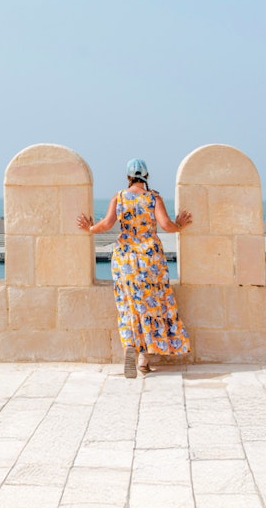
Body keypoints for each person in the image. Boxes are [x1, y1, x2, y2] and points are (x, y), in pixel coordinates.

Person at [76, 158, 192, 378]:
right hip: (150, 259)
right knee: (151, 304)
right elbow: (166, 225)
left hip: (125, 259)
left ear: (128, 177)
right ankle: (143, 358)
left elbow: (108, 224)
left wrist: (89, 228)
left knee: (128, 305)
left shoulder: (119, 197)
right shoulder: (153, 197)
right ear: (146, 176)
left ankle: (130, 343)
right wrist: (180, 225)